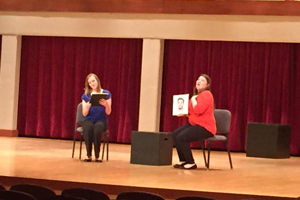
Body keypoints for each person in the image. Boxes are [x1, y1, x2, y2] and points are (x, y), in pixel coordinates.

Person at [172, 74, 216, 170]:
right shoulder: (197, 96)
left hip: (205, 127)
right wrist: (183, 113)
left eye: (202, 80)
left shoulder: (206, 94)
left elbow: (199, 110)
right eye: (198, 79)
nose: (198, 81)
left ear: (207, 85)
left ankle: (191, 162)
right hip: (194, 124)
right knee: (175, 134)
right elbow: (191, 112)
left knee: (182, 137)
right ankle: (183, 160)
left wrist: (192, 99)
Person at [81, 73, 112, 162]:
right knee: (88, 128)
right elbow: (84, 114)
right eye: (90, 82)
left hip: (101, 120)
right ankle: (89, 155)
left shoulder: (106, 93)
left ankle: (97, 155)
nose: (92, 83)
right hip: (89, 119)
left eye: (93, 81)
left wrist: (106, 105)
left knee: (97, 129)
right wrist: (87, 107)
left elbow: (108, 112)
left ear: (97, 81)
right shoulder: (86, 95)